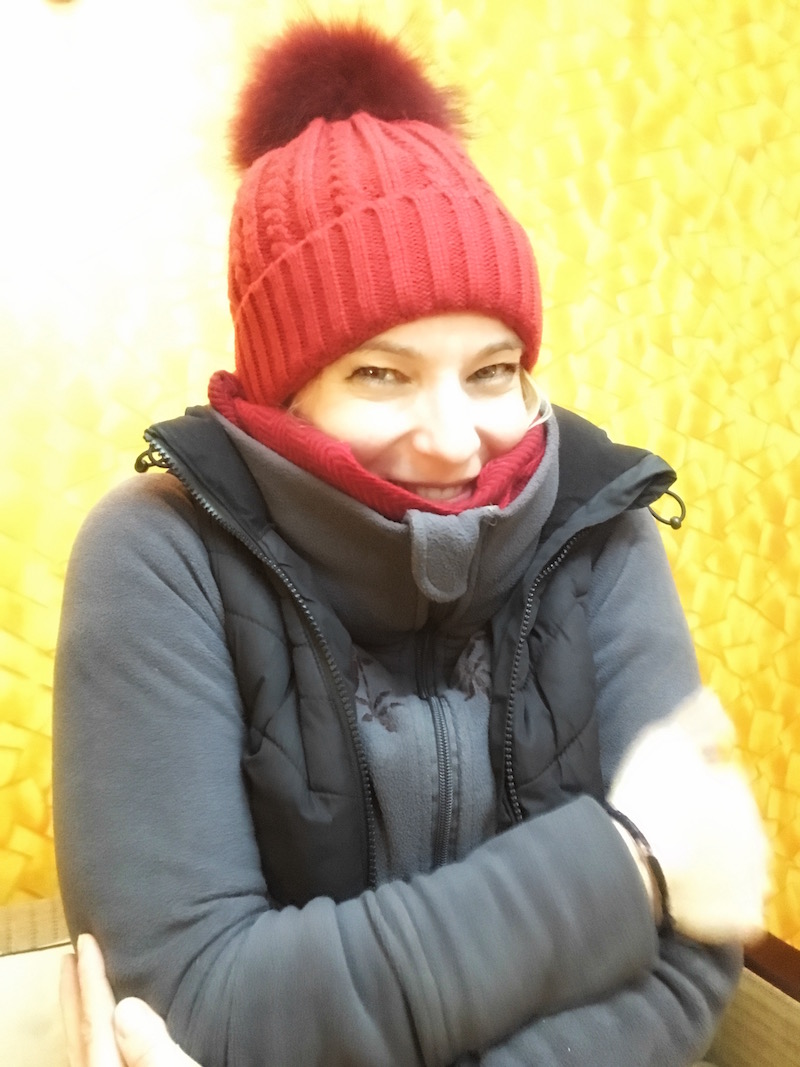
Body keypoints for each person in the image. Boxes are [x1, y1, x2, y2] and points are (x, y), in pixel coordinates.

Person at [53, 19, 768, 1067]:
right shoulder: (158, 555)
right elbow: (190, 999)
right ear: (284, 390)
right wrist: (625, 865)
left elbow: (689, 954)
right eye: (379, 373)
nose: (453, 439)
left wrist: (666, 875)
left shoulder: (601, 528)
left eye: (491, 370)